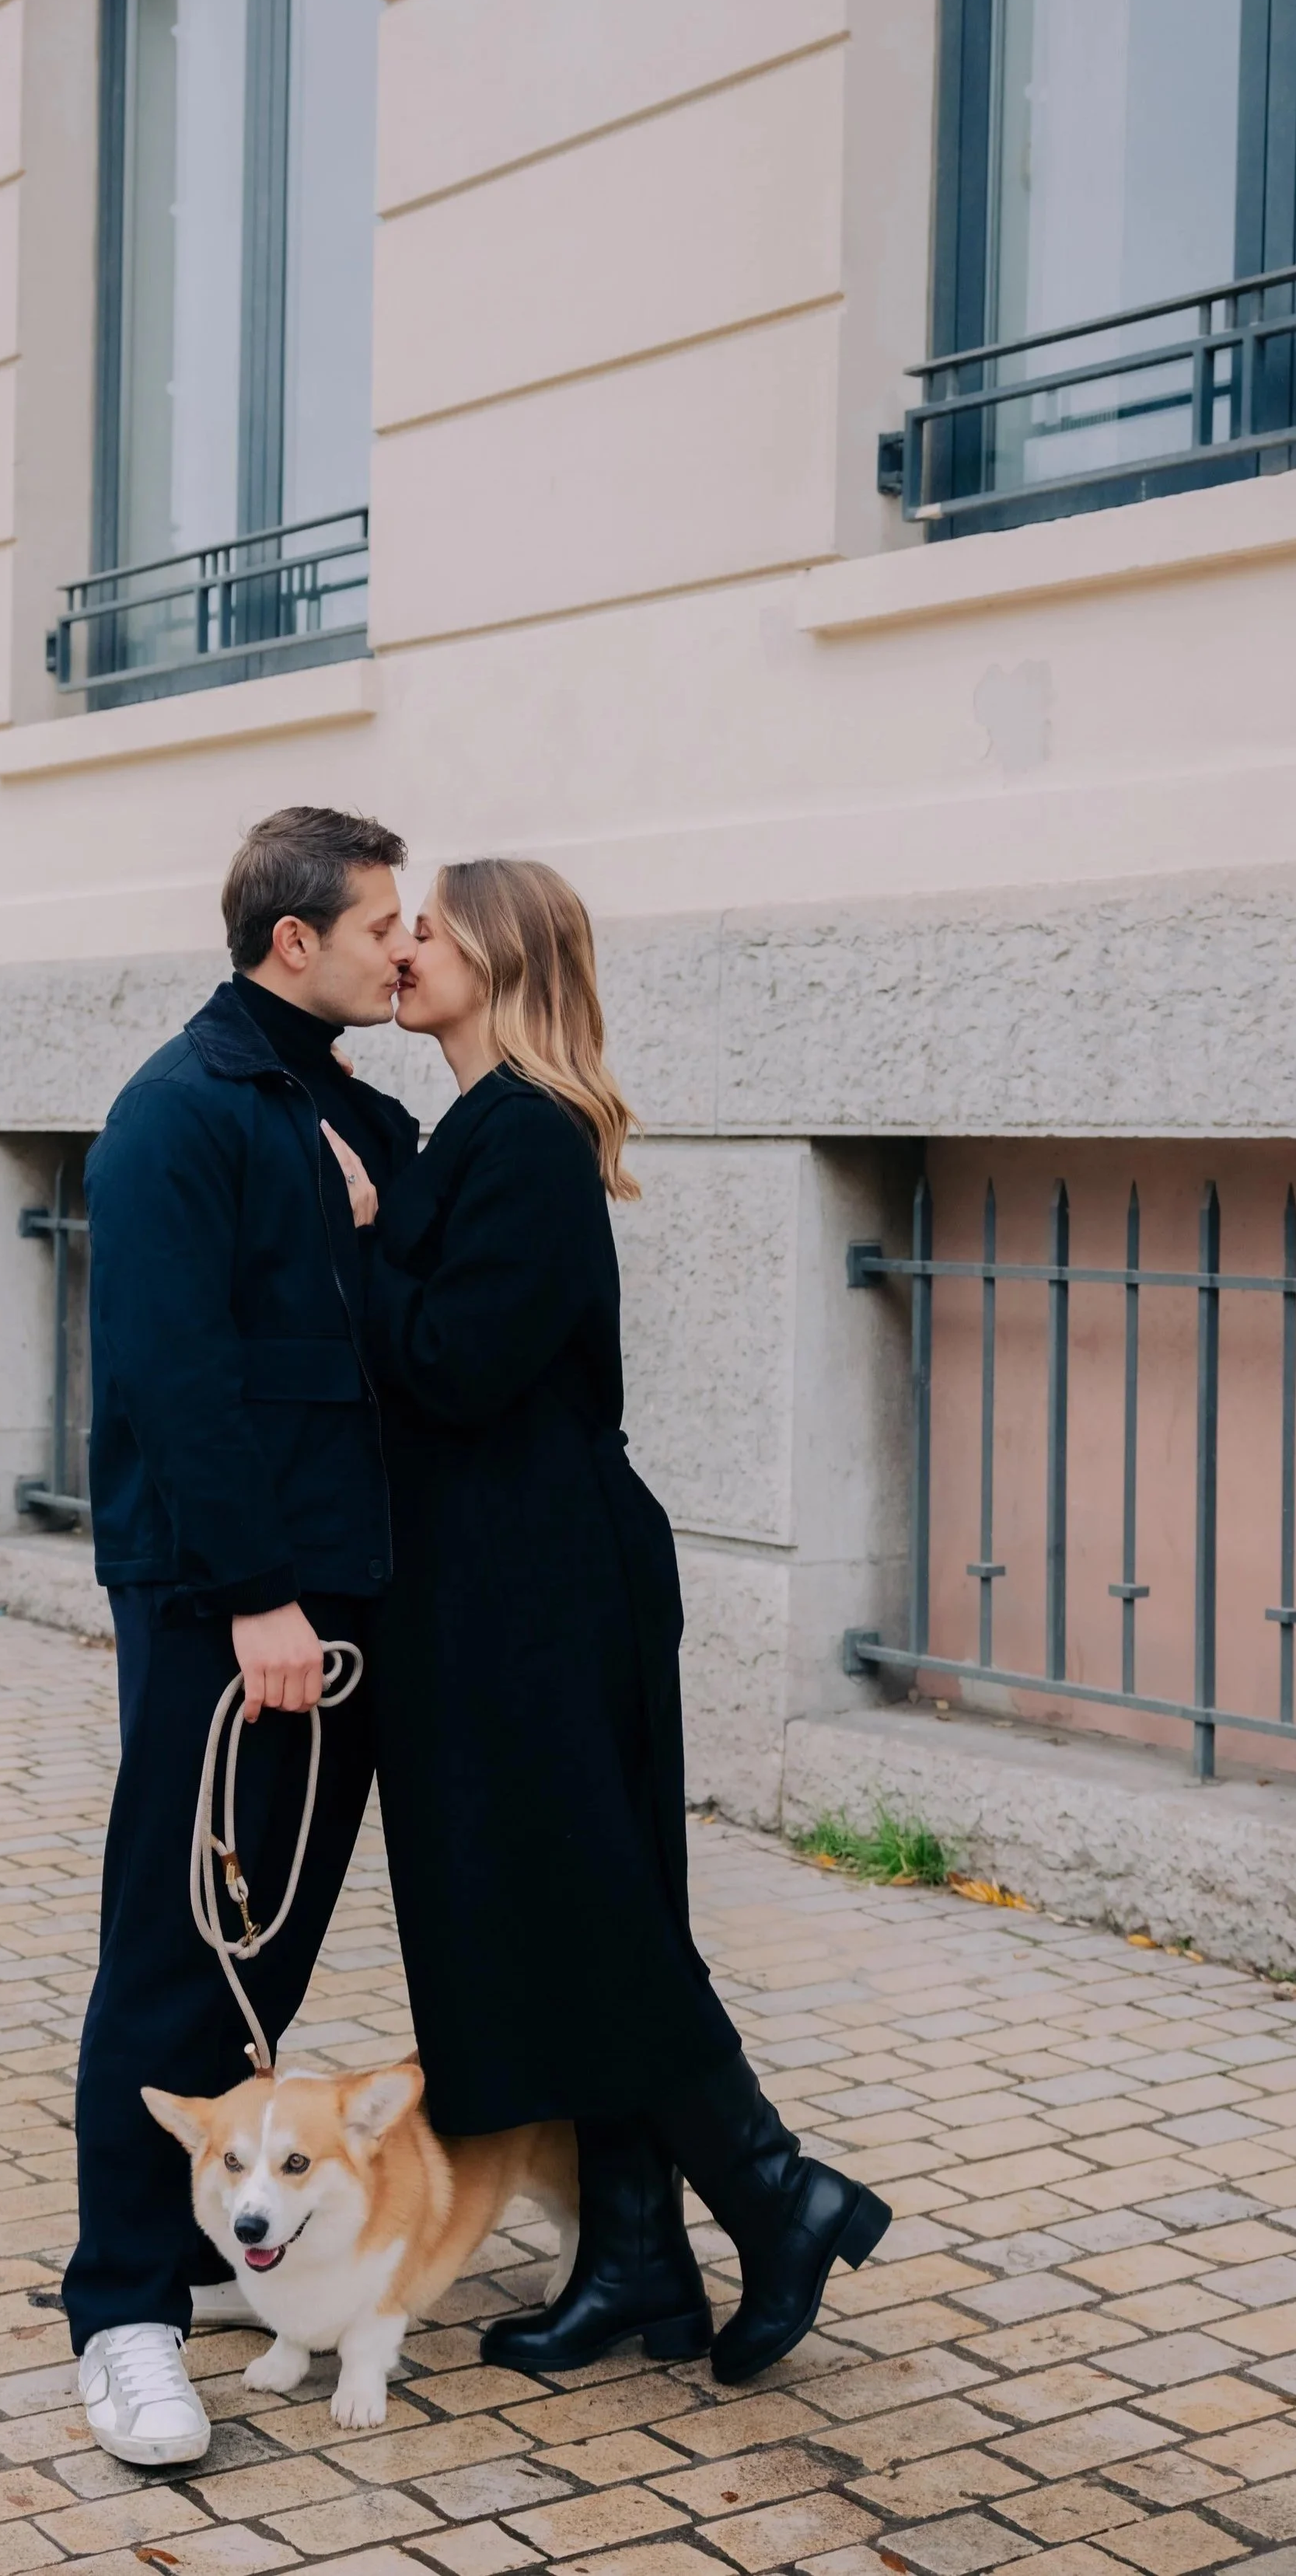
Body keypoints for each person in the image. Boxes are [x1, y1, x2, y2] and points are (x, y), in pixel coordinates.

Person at [322, 859, 890, 2386]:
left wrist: (367, 1233)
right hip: (486, 1584)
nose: (402, 946)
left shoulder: (527, 1139)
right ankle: (637, 2256)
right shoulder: (478, 1127)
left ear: (498, 960)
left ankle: (775, 2191)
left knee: (587, 1910)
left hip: (542, 1589)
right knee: (549, 1914)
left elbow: (450, 1367)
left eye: (428, 926)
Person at [61, 807, 418, 2464]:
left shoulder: (345, 1108)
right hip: (233, 1600)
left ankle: (215, 2238)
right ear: (296, 941)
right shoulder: (177, 1113)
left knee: (265, 1944)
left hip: (333, 1589)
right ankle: (122, 2307)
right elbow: (170, 1376)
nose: (398, 950)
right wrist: (257, 1595)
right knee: (176, 1941)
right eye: (377, 926)